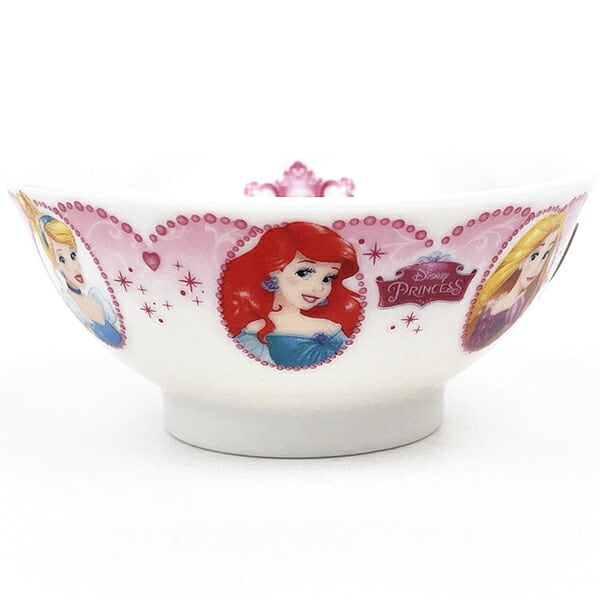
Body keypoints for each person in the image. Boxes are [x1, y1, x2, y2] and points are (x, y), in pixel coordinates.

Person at [221, 222, 361, 367]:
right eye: (304, 273)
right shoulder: (255, 331)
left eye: (327, 278)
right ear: (275, 271)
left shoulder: (331, 328)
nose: (318, 288)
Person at [17, 191, 123, 347]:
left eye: (73, 255)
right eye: (62, 259)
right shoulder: (72, 301)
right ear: (55, 265)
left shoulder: (96, 297)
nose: (73, 266)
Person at [464, 211, 565, 351]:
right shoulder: (496, 299)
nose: (536, 268)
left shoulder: (516, 305)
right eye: (534, 256)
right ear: (521, 259)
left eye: (545, 255)